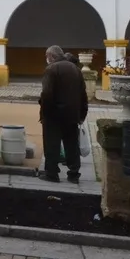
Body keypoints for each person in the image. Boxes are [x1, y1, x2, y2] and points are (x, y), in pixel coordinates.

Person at [39, 45, 88, 183]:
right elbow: (83, 93)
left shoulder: (51, 69)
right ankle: (74, 174)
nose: (46, 59)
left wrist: (44, 113)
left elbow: (47, 94)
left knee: (52, 144)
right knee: (72, 144)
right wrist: (82, 113)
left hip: (54, 114)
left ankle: (52, 173)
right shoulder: (76, 69)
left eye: (46, 56)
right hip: (72, 114)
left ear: (52, 56)